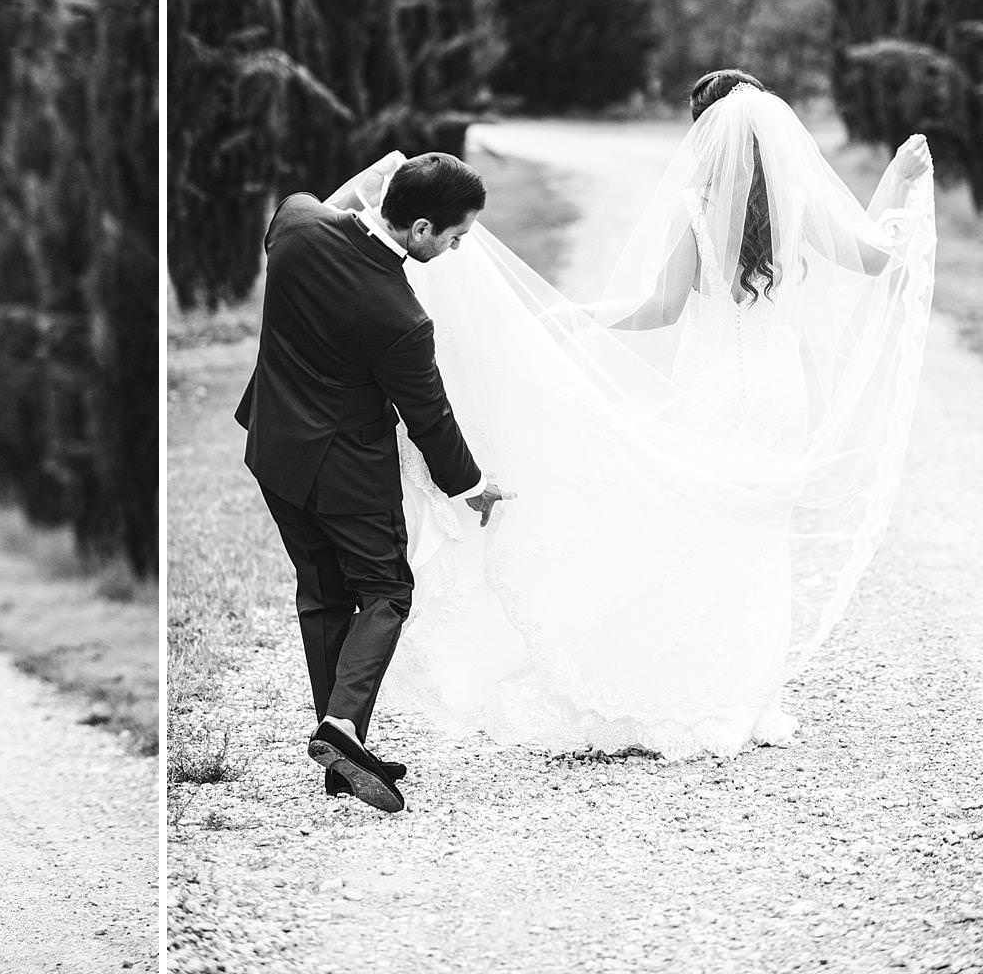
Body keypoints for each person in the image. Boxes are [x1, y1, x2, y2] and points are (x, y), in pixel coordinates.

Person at [382, 72, 936, 758]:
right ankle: (748, 698)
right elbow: (875, 259)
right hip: (777, 394)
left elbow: (661, 309)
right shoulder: (796, 203)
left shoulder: (694, 209)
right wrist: (897, 182)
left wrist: (583, 316)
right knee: (763, 540)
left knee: (703, 533)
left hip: (714, 389)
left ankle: (696, 686)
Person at [235, 153, 513, 813]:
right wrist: (471, 485)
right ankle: (341, 725)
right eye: (454, 236)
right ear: (420, 228)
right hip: (347, 471)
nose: (456, 248)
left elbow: (329, 204)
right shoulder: (402, 317)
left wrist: (379, 173)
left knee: (322, 594)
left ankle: (342, 751)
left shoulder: (296, 223)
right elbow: (429, 417)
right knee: (386, 590)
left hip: (274, 450)